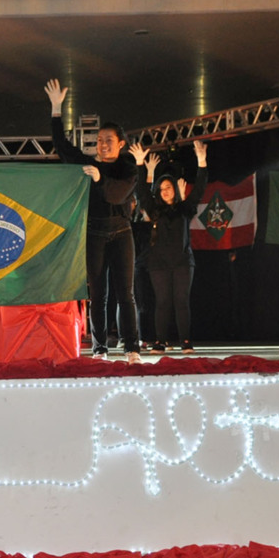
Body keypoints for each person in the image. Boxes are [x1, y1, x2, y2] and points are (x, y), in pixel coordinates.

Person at [44, 78, 143, 364]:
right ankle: (100, 348)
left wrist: (100, 180)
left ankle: (131, 348)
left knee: (126, 294)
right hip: (94, 234)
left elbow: (117, 194)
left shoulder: (127, 167)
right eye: (99, 141)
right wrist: (55, 109)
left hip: (122, 233)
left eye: (108, 140)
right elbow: (62, 147)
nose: (102, 145)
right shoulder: (90, 165)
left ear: (121, 143)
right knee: (97, 295)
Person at [137, 142, 208, 354]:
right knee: (162, 302)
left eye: (168, 187)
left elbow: (201, 189)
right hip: (158, 263)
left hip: (182, 262)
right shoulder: (154, 210)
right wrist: (141, 165)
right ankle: (160, 342)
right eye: (161, 189)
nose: (165, 191)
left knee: (181, 301)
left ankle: (185, 341)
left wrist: (202, 162)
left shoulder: (185, 208)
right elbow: (141, 192)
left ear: (175, 190)